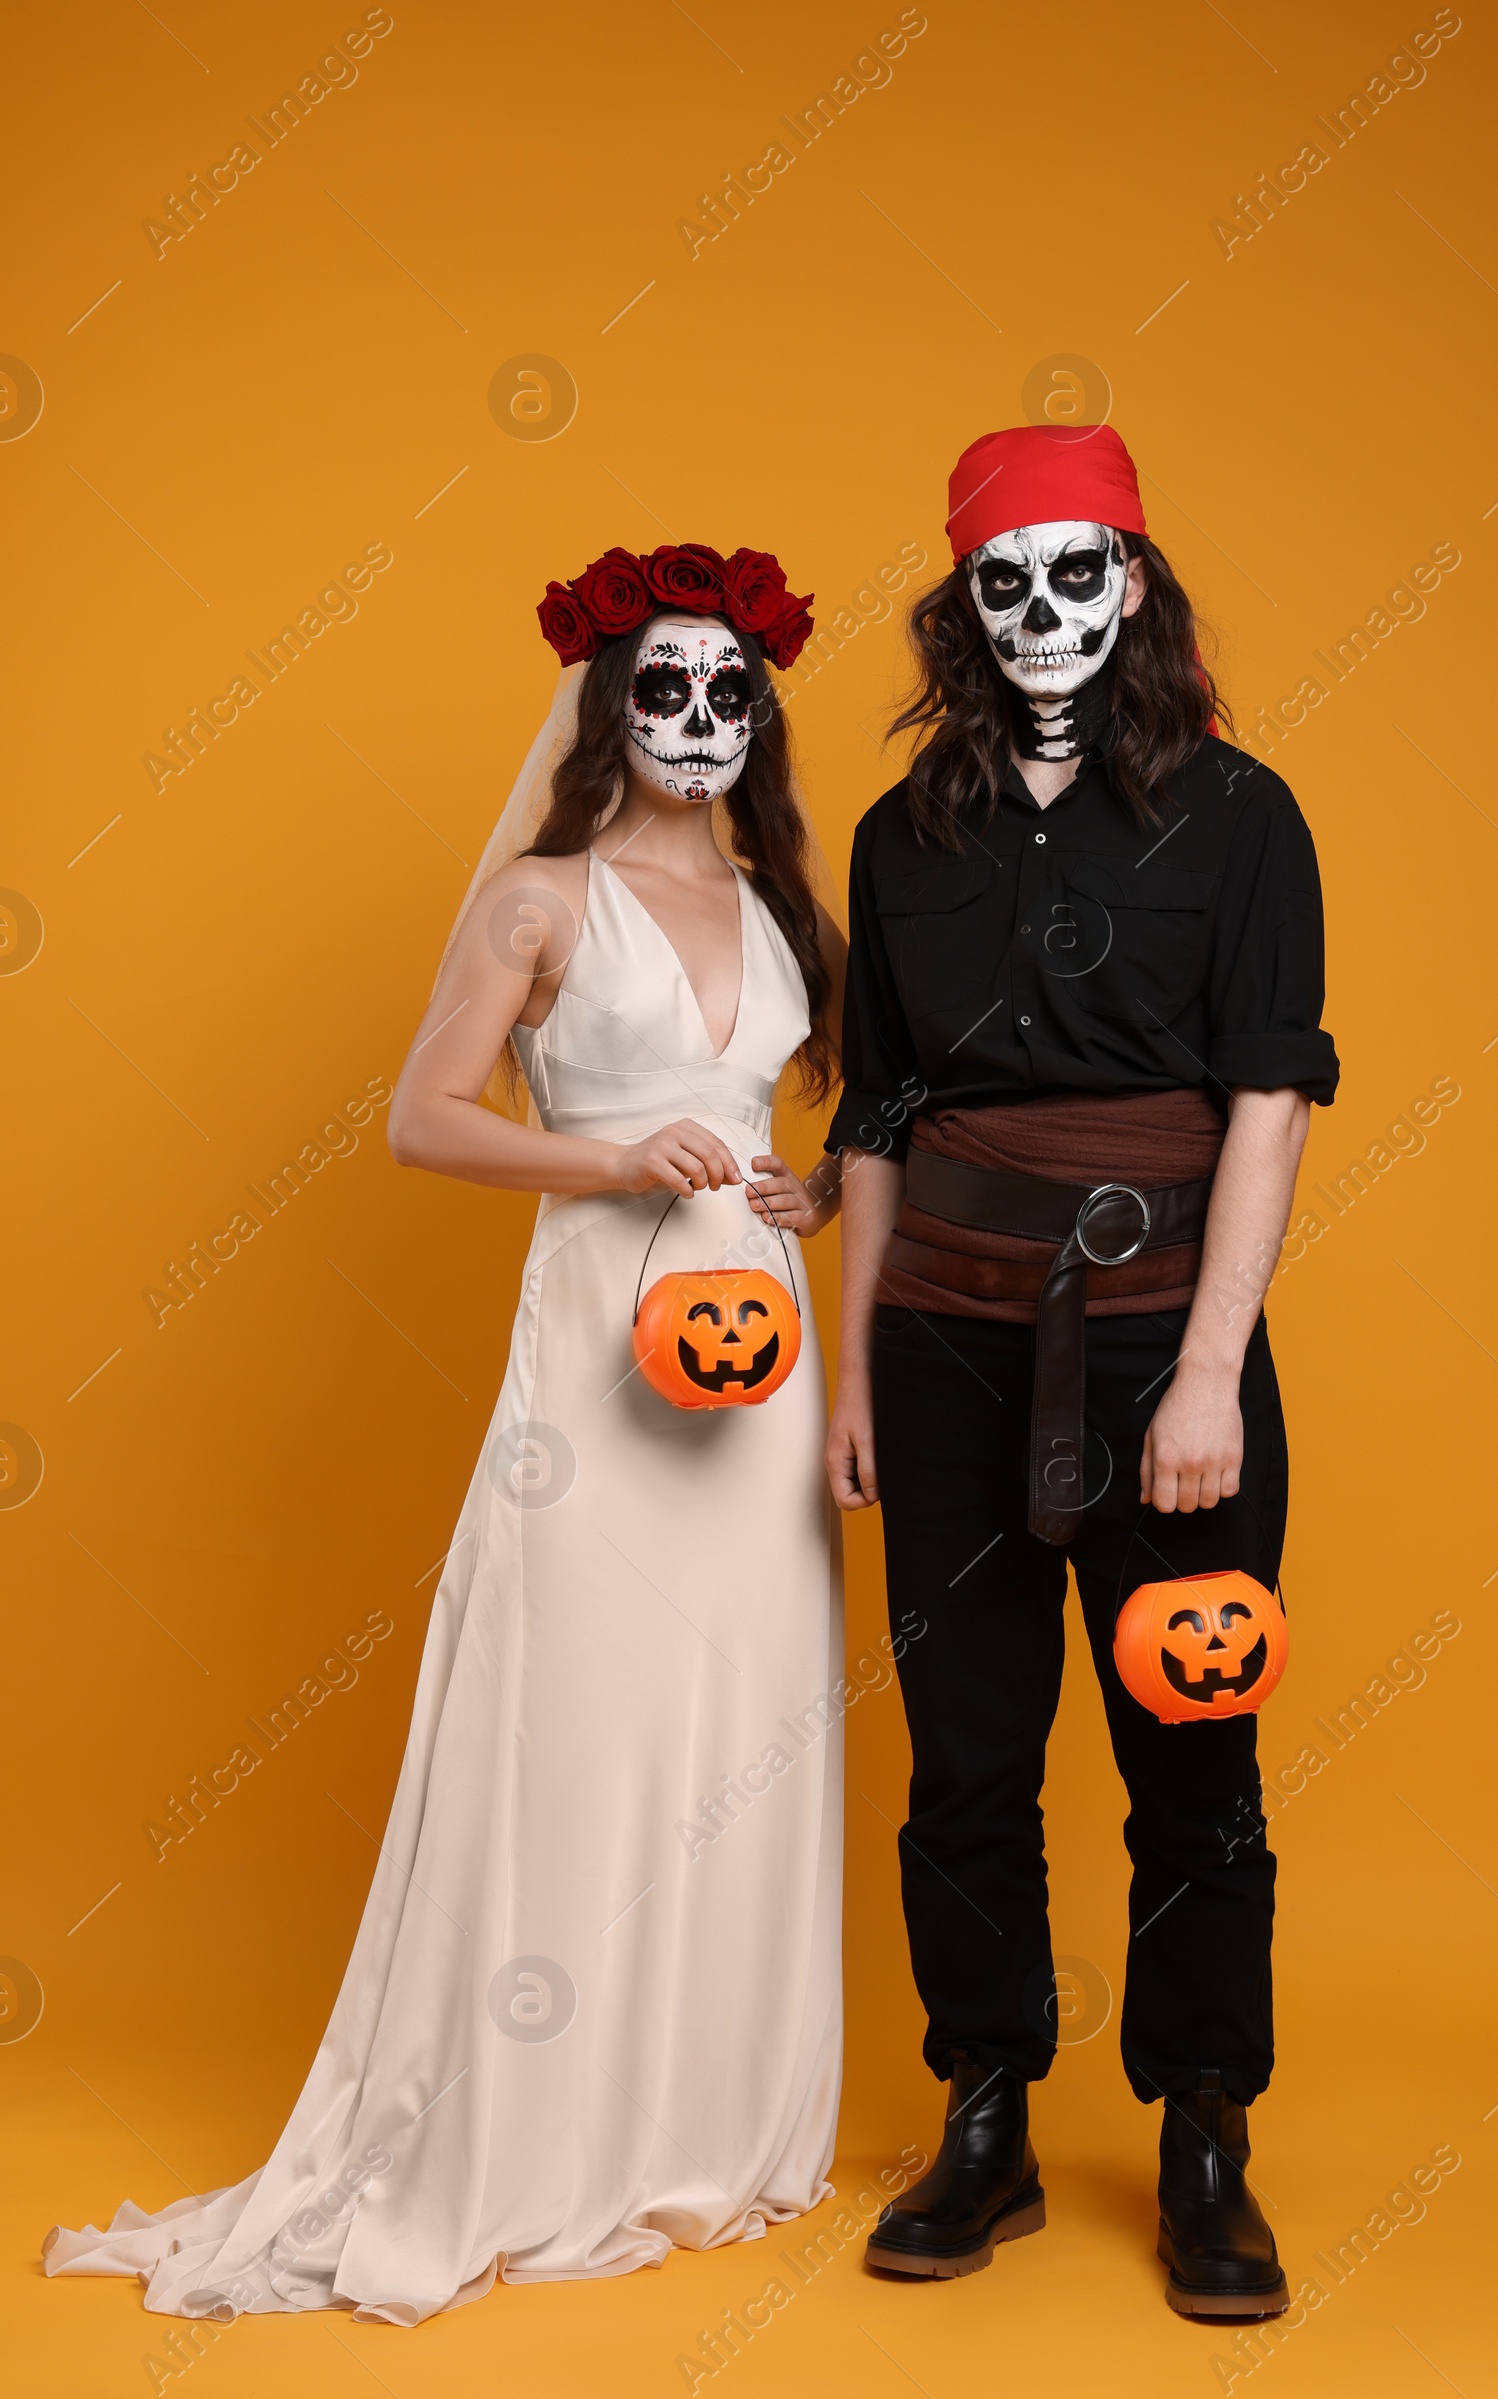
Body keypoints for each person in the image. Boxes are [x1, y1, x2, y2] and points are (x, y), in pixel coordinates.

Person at [46, 541, 849, 2325]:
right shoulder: (542, 903)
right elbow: (422, 1119)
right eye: (667, 689)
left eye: (732, 693)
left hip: (760, 1359)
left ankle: (697, 2122)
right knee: (581, 1725)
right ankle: (536, 2123)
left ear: (761, 712)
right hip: (598, 1359)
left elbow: (791, 1113)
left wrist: (803, 1194)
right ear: (609, 704)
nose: (701, 720)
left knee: (745, 1728)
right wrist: (612, 1158)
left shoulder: (791, 901)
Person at [823, 426, 1339, 2315]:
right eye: (1003, 582)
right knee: (966, 1751)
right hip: (946, 1342)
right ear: (964, 607)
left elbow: (1268, 1100)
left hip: (1158, 1350)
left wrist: (1208, 1376)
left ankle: (1206, 2129)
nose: (1044, 615)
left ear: (1137, 583)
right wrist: (858, 1375)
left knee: (1194, 1744)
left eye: (1081, 572)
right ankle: (986, 2118)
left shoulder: (1244, 811)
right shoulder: (900, 837)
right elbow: (875, 1113)